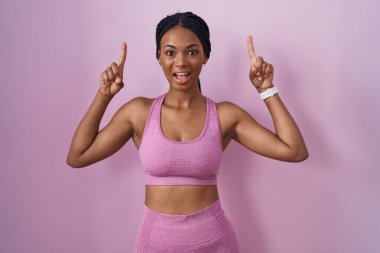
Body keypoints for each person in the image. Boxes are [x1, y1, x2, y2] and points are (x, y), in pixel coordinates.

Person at [66, 11, 308, 253]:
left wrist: (266, 89)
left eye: (192, 51)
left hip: (216, 243)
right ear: (158, 57)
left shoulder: (225, 115)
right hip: (154, 245)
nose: (180, 62)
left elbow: (294, 150)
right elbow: (78, 156)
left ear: (205, 56)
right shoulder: (138, 113)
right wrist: (104, 96)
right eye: (170, 52)